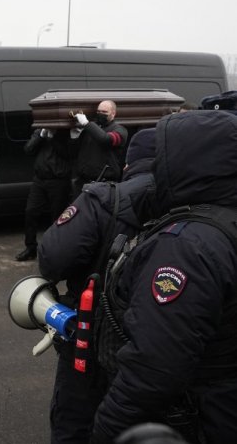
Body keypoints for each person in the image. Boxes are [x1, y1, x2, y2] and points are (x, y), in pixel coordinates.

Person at [91, 110, 237, 442]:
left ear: (191, 161)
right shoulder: (223, 222)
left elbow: (154, 366)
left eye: (162, 156)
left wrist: (108, 427)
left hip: (195, 417)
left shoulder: (186, 246)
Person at [37, 127, 158, 444]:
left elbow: (52, 259)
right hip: (157, 349)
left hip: (89, 339)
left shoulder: (103, 199)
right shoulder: (197, 205)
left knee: (75, 423)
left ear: (128, 164)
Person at [15, 127, 72, 261]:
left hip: (58, 181)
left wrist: (52, 138)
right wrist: (41, 135)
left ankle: (56, 251)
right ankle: (30, 248)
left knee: (58, 217)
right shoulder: (39, 132)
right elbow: (28, 149)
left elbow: (68, 154)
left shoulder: (65, 132)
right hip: (39, 180)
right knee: (30, 212)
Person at [71, 99, 128, 197]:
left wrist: (87, 124)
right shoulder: (89, 130)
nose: (100, 114)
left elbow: (105, 139)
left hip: (104, 184)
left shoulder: (120, 130)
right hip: (82, 183)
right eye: (98, 111)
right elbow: (74, 152)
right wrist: (74, 137)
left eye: (104, 112)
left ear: (113, 114)